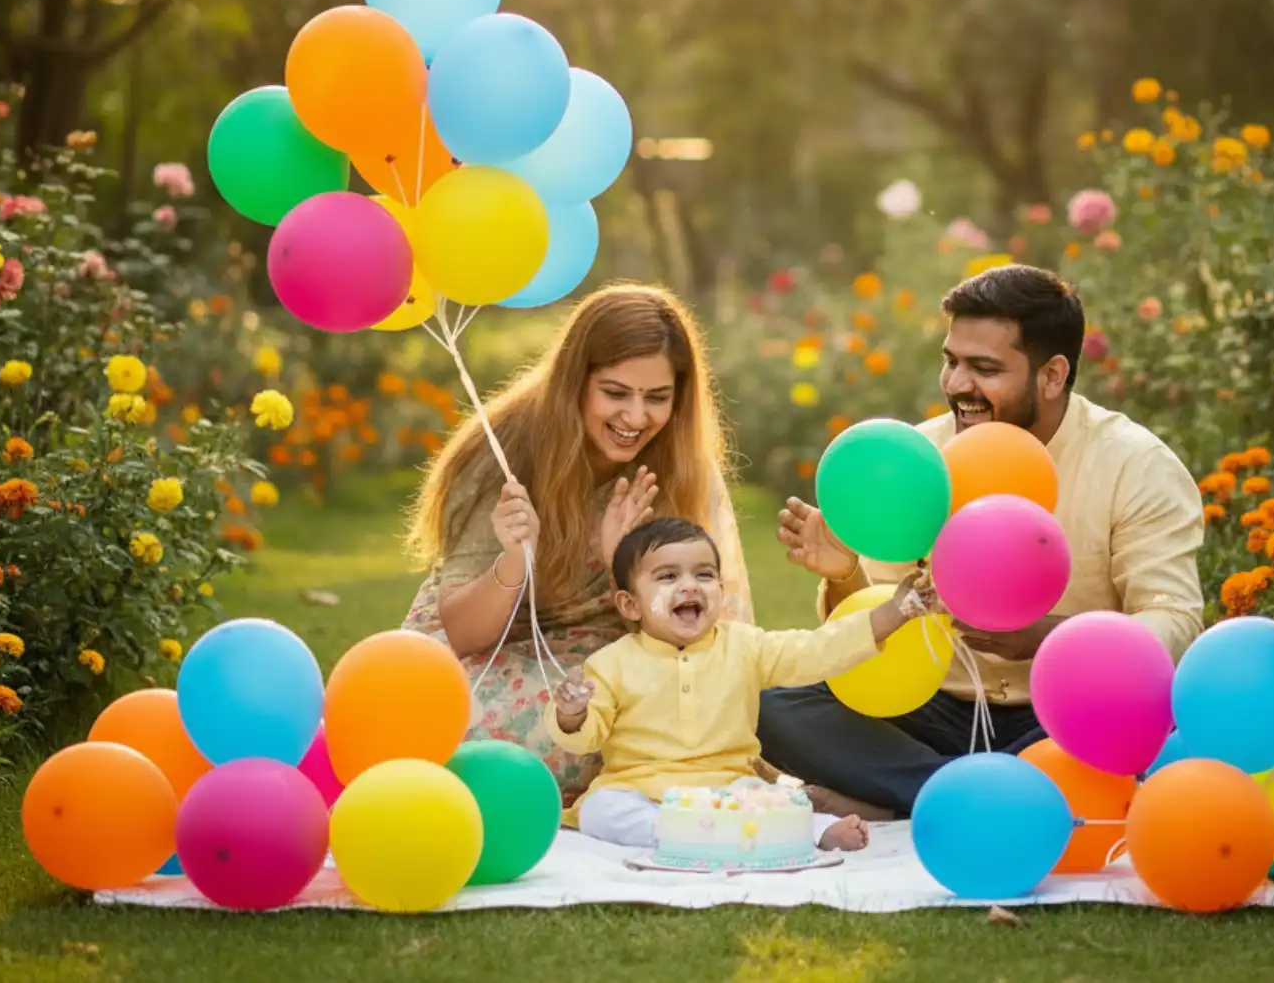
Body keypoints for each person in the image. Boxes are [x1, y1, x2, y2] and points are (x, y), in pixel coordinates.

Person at [758, 263, 1204, 819]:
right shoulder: (918, 461)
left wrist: (1051, 638)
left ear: (1053, 374)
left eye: (984, 368)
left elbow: (1174, 621)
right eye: (951, 362)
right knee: (770, 703)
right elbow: (880, 642)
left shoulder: (1136, 467)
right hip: (929, 711)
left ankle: (927, 796)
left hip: (1060, 712)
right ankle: (985, 796)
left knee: (1163, 724)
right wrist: (844, 573)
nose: (956, 385)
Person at [402, 284, 753, 802]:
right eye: (615, 393)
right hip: (486, 650)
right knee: (442, 722)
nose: (636, 418)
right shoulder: (503, 451)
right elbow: (465, 633)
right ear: (575, 382)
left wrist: (622, 566)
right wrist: (515, 560)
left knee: (682, 702)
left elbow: (701, 633)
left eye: (657, 398)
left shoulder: (681, 467)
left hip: (614, 651)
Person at [546, 517, 928, 851]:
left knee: (782, 805)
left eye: (704, 574)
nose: (689, 585)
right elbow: (588, 735)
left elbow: (818, 650)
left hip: (730, 791)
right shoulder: (611, 662)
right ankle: (688, 833)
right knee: (602, 810)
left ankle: (817, 830)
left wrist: (896, 611)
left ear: (720, 591)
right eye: (668, 576)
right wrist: (571, 713)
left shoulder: (745, 646)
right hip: (642, 792)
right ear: (631, 605)